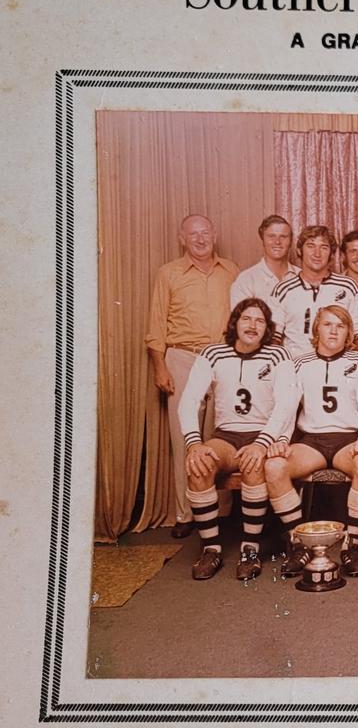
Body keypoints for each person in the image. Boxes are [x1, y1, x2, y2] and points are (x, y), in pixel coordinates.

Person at [176, 299, 296, 580]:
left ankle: (250, 549)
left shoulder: (278, 356)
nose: (252, 325)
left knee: (254, 466)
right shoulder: (212, 354)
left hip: (260, 433)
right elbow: (189, 400)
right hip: (227, 436)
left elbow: (285, 404)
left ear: (267, 328)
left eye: (260, 321)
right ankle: (211, 549)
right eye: (246, 318)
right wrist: (194, 444)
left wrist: (262, 442)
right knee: (199, 463)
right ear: (235, 322)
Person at [263, 305, 358, 577]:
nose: (334, 330)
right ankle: (298, 543)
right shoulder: (300, 364)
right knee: (274, 467)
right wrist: (281, 439)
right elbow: (287, 407)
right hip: (312, 440)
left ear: (349, 332)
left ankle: (352, 543)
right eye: (328, 324)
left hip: (348, 438)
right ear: (316, 329)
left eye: (340, 326)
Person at [144, 214, 239, 538]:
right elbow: (156, 324)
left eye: (205, 233)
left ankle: (221, 512)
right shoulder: (168, 273)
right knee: (184, 436)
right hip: (183, 357)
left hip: (222, 358)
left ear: (215, 234)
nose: (200, 239)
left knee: (220, 434)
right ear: (182, 239)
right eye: (193, 234)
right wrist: (160, 365)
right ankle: (187, 512)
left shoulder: (231, 271)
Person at [269, 225, 358, 358]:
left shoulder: (348, 287)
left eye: (324, 247)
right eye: (311, 246)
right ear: (299, 251)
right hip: (295, 368)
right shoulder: (283, 290)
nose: (317, 253)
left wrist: (357, 364)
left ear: (331, 254)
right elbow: (273, 338)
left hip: (337, 368)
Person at [230, 215, 299, 309]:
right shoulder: (246, 280)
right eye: (271, 236)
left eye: (283, 237)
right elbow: (241, 321)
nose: (277, 242)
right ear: (262, 239)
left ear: (290, 241)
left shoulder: (302, 276)